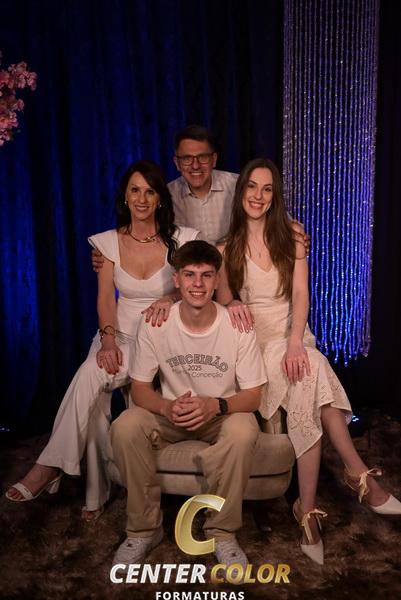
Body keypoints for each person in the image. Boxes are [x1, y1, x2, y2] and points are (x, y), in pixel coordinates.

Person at [216, 158, 401, 565]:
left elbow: (301, 295)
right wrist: (231, 303)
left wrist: (296, 341)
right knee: (313, 376)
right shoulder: (225, 249)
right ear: (241, 191)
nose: (259, 196)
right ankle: (355, 477)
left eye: (267, 189)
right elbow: (225, 298)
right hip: (256, 345)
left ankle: (308, 509)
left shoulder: (293, 238)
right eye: (252, 187)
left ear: (274, 196)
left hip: (294, 334)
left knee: (308, 372)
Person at [5, 160, 199, 520]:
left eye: (150, 191)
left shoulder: (182, 239)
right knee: (92, 378)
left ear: (160, 198)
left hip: (159, 344)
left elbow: (196, 282)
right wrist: (108, 341)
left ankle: (56, 470)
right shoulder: (108, 242)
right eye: (135, 190)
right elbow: (106, 300)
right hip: (117, 335)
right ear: (125, 196)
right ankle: (72, 479)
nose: (142, 198)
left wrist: (170, 298)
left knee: (90, 382)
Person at [110, 240, 267, 568]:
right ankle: (143, 530)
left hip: (220, 412)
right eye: (190, 275)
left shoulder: (237, 325)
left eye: (206, 275)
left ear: (217, 280)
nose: (198, 284)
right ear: (176, 279)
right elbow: (140, 389)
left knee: (243, 429)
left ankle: (222, 533)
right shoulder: (156, 322)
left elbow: (253, 395)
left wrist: (216, 406)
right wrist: (166, 408)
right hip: (172, 412)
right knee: (125, 425)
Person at [168, 124, 238, 244]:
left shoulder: (237, 185)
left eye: (203, 157)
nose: (195, 166)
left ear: (214, 159)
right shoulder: (167, 195)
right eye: (187, 158)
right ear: (177, 163)